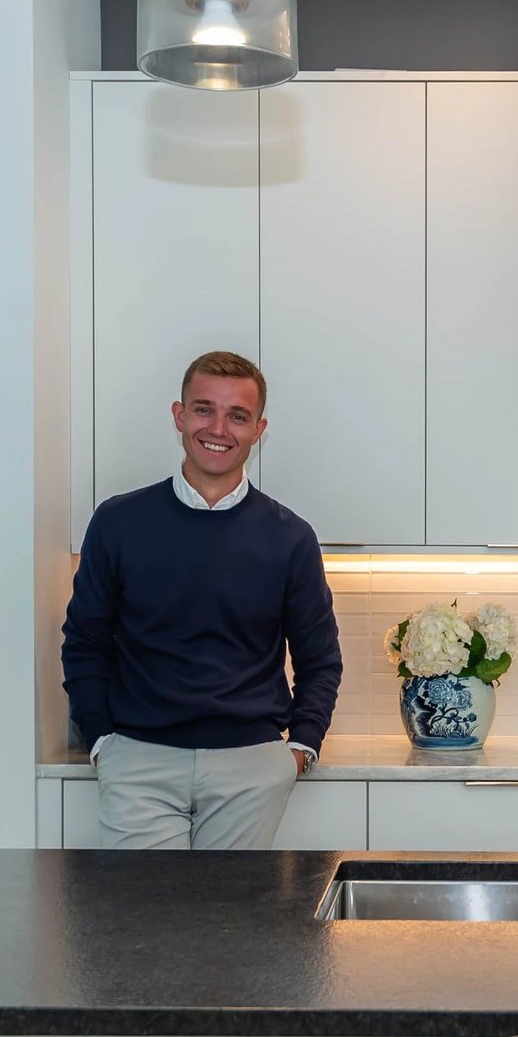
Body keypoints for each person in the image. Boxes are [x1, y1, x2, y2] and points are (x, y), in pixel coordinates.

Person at [62, 350, 341, 849]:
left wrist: (303, 744)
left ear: (258, 430)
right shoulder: (118, 523)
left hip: (251, 767)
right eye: (204, 409)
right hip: (138, 761)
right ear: (179, 415)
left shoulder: (291, 537)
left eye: (238, 416)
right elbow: (84, 641)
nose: (218, 428)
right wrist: (101, 738)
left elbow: (319, 658)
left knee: (230, 906)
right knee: (144, 904)